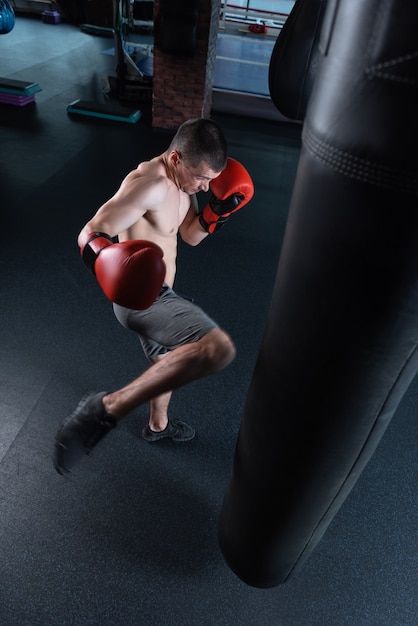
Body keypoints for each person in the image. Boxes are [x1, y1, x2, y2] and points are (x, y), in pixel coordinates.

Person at [54, 117, 254, 475]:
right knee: (217, 348)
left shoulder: (183, 185)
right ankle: (105, 409)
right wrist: (114, 266)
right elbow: (91, 232)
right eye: (202, 178)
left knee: (170, 362)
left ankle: (157, 427)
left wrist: (217, 212)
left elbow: (190, 236)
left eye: (210, 180)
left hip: (162, 290)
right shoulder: (150, 185)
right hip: (142, 298)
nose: (204, 186)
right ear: (176, 158)